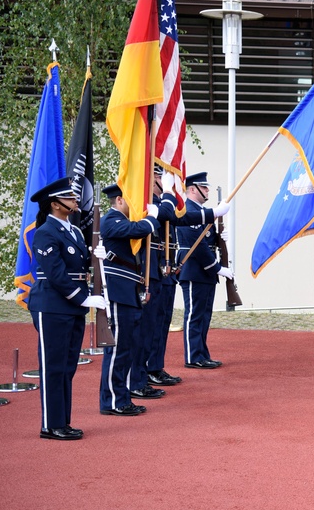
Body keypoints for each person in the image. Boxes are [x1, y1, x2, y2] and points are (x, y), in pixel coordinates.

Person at [27, 176, 108, 440]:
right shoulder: (45, 232)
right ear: (55, 204)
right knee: (53, 366)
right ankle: (50, 425)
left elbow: (75, 266)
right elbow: (55, 273)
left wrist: (95, 257)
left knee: (67, 366)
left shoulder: (71, 231)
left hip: (70, 307)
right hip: (52, 304)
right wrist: (82, 298)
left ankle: (63, 421)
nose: (75, 201)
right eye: (70, 198)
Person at [139, 167, 225, 388]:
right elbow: (186, 226)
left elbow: (185, 220)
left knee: (163, 321)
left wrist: (213, 216)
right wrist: (214, 266)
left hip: (165, 269)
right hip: (160, 268)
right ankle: (149, 369)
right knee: (158, 321)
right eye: (157, 176)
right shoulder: (153, 205)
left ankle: (156, 367)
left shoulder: (167, 206)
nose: (162, 180)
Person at [97, 183, 160, 416]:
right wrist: (152, 218)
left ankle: (120, 397)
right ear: (119, 201)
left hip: (128, 289)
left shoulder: (119, 221)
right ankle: (113, 400)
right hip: (117, 290)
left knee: (127, 348)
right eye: (131, 200)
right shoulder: (111, 220)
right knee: (117, 349)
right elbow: (136, 230)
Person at [175, 172, 233, 368]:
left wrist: (219, 238)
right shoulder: (186, 211)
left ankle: (201, 353)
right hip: (194, 269)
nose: (207, 190)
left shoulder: (202, 211)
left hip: (205, 271)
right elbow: (196, 244)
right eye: (204, 187)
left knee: (204, 315)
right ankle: (193, 357)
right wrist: (217, 268)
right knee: (194, 314)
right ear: (193, 189)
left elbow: (206, 241)